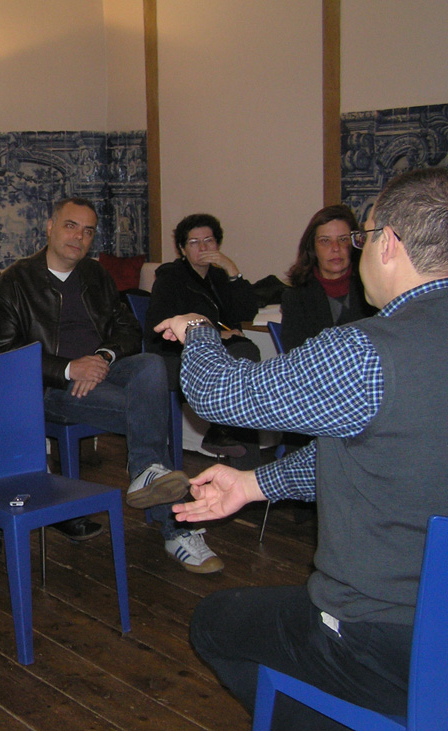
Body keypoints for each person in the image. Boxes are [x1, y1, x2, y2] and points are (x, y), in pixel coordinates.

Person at [155, 167, 448, 728]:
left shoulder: (366, 350)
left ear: (388, 243)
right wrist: (254, 483)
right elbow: (372, 452)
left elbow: (222, 394)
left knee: (216, 623)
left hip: (388, 637)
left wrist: (198, 331)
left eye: (361, 237)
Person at [0, 198, 216, 573]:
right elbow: (6, 351)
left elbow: (128, 330)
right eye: (70, 226)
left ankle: (146, 474)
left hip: (104, 370)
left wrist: (102, 358)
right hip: (48, 387)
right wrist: (68, 369)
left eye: (88, 231)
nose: (79, 237)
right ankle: (175, 525)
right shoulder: (14, 281)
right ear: (50, 226)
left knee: (152, 365)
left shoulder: (96, 275)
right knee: (148, 409)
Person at [144, 213, 260, 462]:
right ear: (182, 249)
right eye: (194, 242)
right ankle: (227, 438)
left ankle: (224, 432)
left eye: (209, 241)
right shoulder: (170, 279)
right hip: (177, 357)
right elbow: (159, 328)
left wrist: (232, 270)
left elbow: (247, 312)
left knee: (245, 357)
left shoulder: (218, 277)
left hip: (219, 356)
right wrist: (215, 334)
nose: (203, 248)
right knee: (243, 359)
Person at [281, 204, 376, 351]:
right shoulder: (295, 298)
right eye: (325, 241)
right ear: (313, 247)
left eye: (343, 239)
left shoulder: (373, 289)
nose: (336, 248)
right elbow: (296, 355)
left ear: (354, 244)